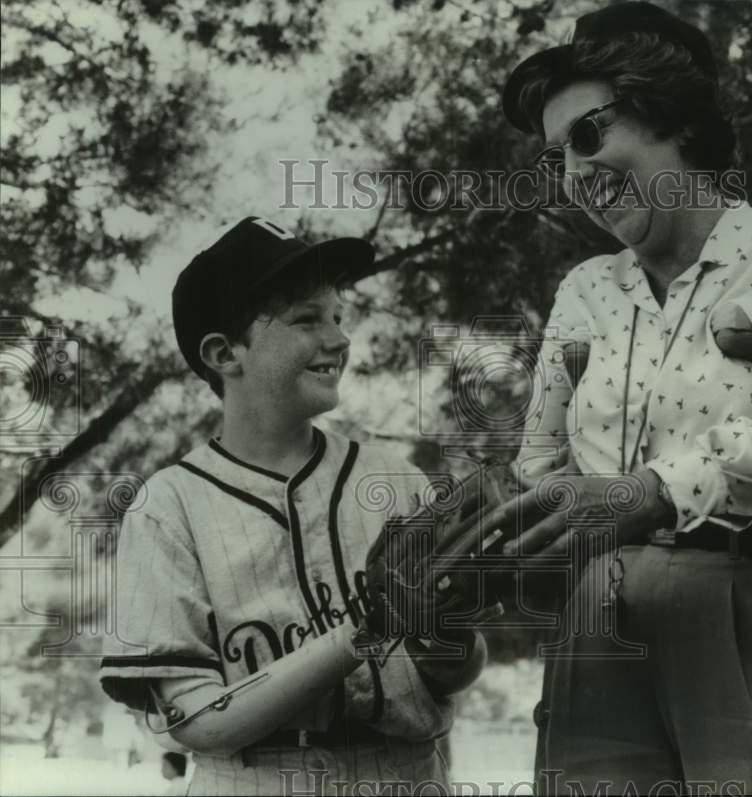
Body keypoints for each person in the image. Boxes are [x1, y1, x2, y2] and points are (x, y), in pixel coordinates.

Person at [498, 2, 752, 794]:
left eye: (588, 135)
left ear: (668, 113)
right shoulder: (584, 291)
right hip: (603, 628)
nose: (574, 177)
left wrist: (652, 493)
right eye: (556, 160)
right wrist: (486, 535)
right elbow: (540, 467)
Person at [100, 217, 486, 795]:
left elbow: (456, 671)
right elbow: (198, 721)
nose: (337, 340)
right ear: (225, 352)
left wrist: (443, 634)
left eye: (337, 317)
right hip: (253, 779)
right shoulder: (167, 506)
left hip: (407, 773)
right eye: (306, 320)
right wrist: (362, 629)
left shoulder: (395, 480)